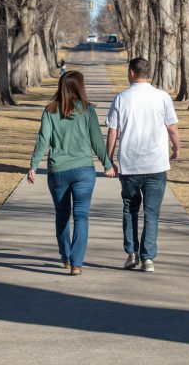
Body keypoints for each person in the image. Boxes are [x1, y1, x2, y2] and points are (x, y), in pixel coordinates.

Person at [27, 71, 115, 276]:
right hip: (84, 170)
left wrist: (33, 165)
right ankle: (77, 263)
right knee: (81, 216)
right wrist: (107, 164)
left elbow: (43, 140)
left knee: (62, 215)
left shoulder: (50, 110)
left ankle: (66, 255)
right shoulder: (87, 110)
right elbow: (97, 140)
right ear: (79, 87)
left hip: (58, 171)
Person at [106, 57, 180, 272]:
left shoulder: (121, 98)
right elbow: (172, 127)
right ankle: (148, 258)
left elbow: (113, 131)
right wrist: (176, 148)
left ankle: (131, 253)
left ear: (131, 73)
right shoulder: (162, 97)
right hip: (156, 164)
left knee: (130, 208)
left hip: (130, 164)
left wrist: (109, 159)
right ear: (149, 73)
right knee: (152, 212)